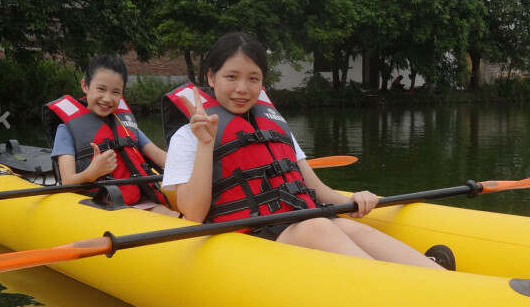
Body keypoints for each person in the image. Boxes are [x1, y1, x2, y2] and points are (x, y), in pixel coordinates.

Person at [161, 32, 448, 269]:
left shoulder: (274, 126)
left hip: (299, 219)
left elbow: (314, 187)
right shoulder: (189, 135)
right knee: (319, 227)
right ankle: (400, 289)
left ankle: (435, 275)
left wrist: (355, 202)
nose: (242, 88)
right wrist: (205, 144)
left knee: (345, 227)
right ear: (211, 77)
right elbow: (194, 214)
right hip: (249, 234)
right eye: (232, 77)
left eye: (253, 78)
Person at [44, 54, 178, 216]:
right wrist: (91, 172)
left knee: (177, 220)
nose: (107, 98)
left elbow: (162, 158)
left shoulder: (125, 125)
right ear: (85, 86)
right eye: (101, 89)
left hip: (140, 202)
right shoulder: (66, 130)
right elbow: (67, 181)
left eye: (116, 92)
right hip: (99, 207)